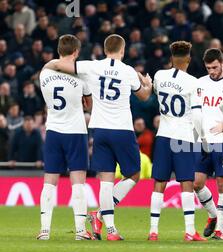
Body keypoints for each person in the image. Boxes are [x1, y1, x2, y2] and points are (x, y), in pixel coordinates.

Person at [44, 34, 153, 241]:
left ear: (104, 50)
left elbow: (60, 65)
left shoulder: (91, 66)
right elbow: (145, 96)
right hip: (122, 129)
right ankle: (101, 214)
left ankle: (110, 230)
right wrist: (148, 83)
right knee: (134, 175)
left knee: (106, 180)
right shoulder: (128, 71)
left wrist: (48, 65)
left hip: (99, 129)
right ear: (122, 50)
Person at [37, 35, 93, 241]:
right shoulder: (82, 78)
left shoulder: (45, 74)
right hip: (75, 132)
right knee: (78, 181)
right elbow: (89, 105)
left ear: (59, 51)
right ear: (76, 52)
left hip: (53, 131)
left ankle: (44, 230)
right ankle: (80, 230)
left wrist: (55, 62)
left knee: (49, 181)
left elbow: (49, 65)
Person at [148, 41, 206, 242]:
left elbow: (154, 92)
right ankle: (190, 231)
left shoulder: (159, 75)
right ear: (189, 59)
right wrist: (203, 138)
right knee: (186, 182)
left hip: (163, 135)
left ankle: (153, 231)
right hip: (183, 137)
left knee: (159, 182)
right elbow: (197, 117)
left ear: (171, 58)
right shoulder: (193, 82)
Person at [193, 48, 223, 240]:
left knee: (222, 184)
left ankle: (220, 231)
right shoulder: (199, 84)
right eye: (208, 68)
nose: (211, 71)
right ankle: (213, 215)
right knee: (196, 183)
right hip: (203, 140)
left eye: (214, 67)